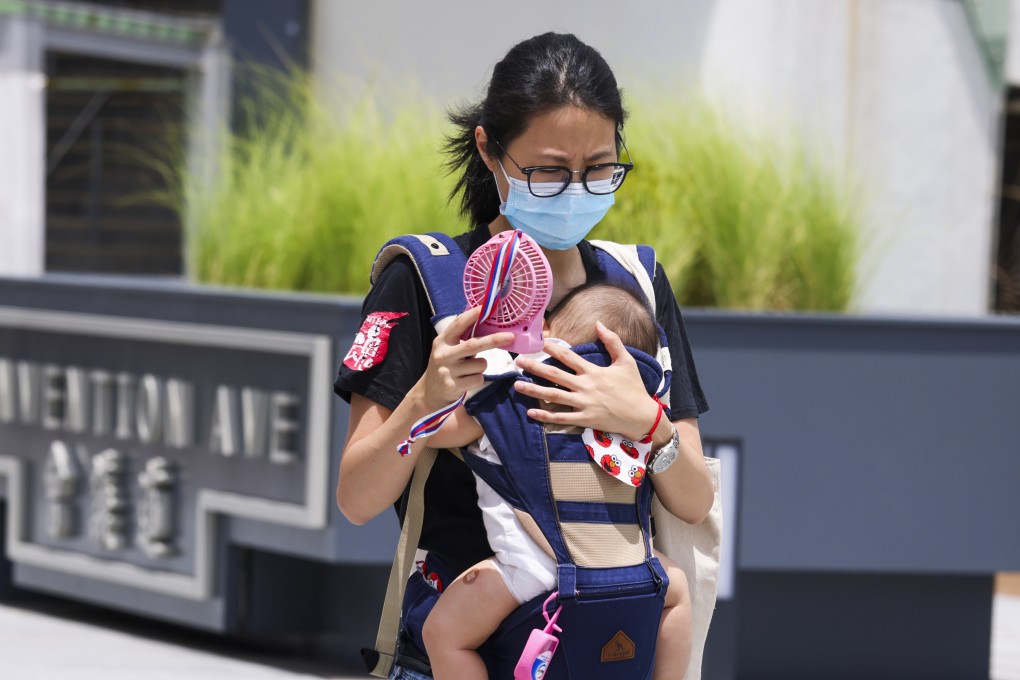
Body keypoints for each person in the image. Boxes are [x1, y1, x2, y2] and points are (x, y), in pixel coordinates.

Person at [334, 32, 713, 680]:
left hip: (606, 645)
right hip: (461, 647)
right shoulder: (426, 281)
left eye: (599, 168)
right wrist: (424, 399)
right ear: (490, 150)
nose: (575, 190)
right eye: (549, 170)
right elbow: (356, 499)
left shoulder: (637, 285)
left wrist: (647, 424)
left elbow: (695, 501)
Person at [420, 282, 693, 680]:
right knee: (679, 589)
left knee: (443, 634)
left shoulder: (511, 400)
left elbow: (432, 431)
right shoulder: (638, 417)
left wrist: (437, 386)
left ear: (546, 335)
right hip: (632, 567)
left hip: (535, 568)